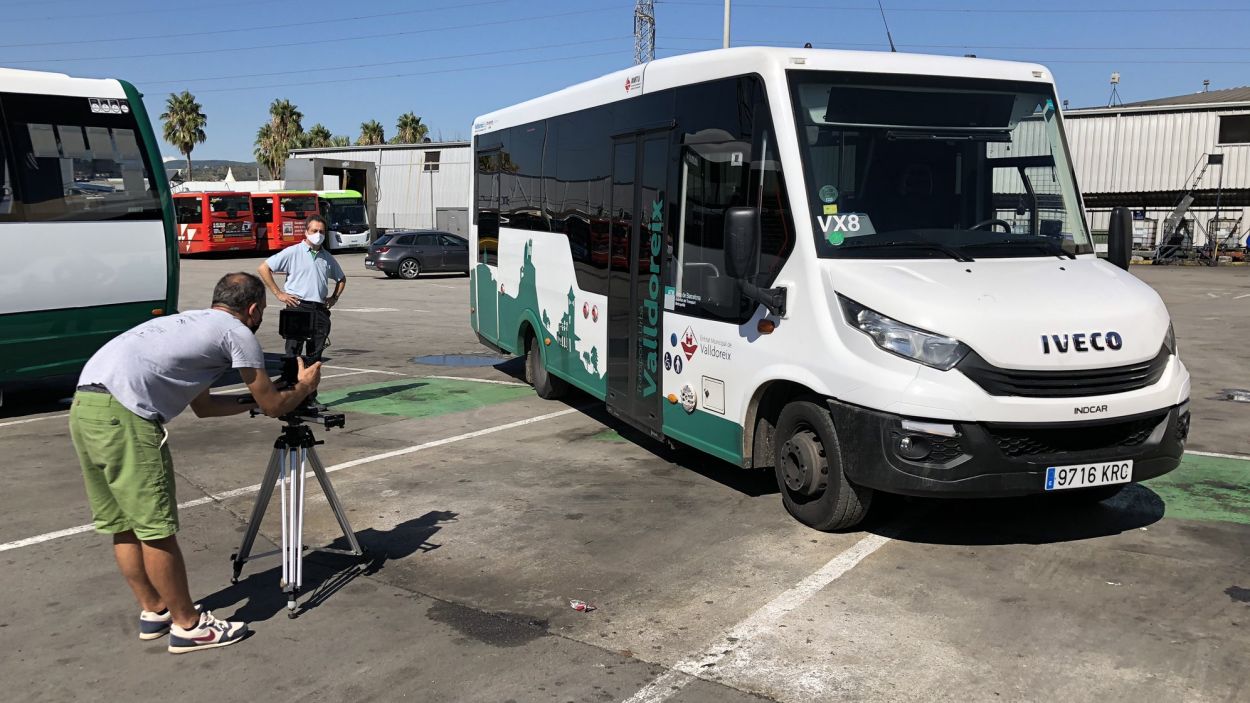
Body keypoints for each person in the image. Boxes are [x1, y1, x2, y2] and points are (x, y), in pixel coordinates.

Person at [69, 273, 322, 654]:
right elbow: (273, 406)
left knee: (123, 524)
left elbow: (204, 408)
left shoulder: (188, 324)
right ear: (252, 309)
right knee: (156, 528)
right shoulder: (237, 333)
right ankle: (189, 626)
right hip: (125, 416)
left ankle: (155, 611)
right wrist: (302, 387)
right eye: (262, 312)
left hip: (87, 407)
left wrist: (259, 396)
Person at [257, 214, 346, 362]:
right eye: (314, 230)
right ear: (306, 232)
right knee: (293, 354)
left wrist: (334, 297)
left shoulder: (326, 256)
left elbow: (341, 279)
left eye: (321, 231)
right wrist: (278, 293)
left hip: (319, 309)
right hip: (298, 306)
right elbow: (264, 268)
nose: (318, 234)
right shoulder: (293, 252)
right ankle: (291, 382)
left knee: (315, 356)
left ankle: (311, 384)